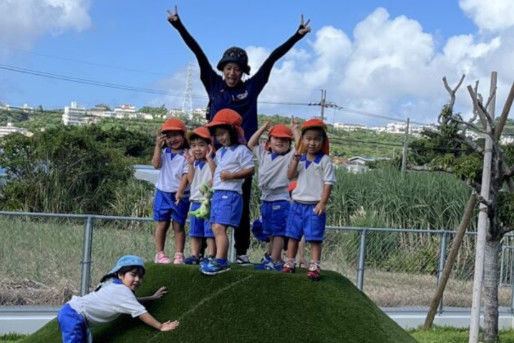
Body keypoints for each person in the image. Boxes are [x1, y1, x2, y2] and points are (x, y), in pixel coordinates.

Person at [167, 6, 311, 265]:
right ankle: (204, 253)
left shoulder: (251, 88)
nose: (232, 73)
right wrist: (178, 25)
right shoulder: (214, 84)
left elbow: (271, 60)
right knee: (207, 196)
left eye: (237, 69)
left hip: (242, 154)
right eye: (228, 68)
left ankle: (241, 252)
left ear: (243, 71)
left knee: (241, 203)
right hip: (215, 154)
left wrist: (297, 36)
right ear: (223, 69)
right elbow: (198, 52)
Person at [57, 255, 179, 342]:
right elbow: (141, 313)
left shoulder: (115, 284)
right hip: (74, 316)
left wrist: (151, 298)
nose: (137, 279)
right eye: (133, 274)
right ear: (120, 274)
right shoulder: (122, 291)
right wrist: (160, 326)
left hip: (72, 312)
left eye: (140, 276)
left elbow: (131, 302)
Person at [201, 109, 254, 275]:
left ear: (233, 131)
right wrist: (210, 161)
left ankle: (221, 260)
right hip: (219, 193)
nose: (220, 138)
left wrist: (232, 175)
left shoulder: (242, 150)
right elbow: (217, 171)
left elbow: (250, 170)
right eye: (217, 135)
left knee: (219, 227)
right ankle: (218, 257)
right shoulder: (221, 152)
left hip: (230, 193)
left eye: (223, 133)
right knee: (215, 226)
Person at [283, 119, 336, 281]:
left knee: (314, 238)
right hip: (297, 204)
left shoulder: (325, 161)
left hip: (314, 206)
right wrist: (295, 159)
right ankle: (290, 262)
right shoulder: (301, 158)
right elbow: (290, 175)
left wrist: (322, 202)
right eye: (308, 139)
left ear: (323, 141)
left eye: (316, 139)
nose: (312, 143)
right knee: (292, 235)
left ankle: (314, 264)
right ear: (303, 140)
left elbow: (329, 183)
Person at [247, 118, 299, 271]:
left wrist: (295, 130)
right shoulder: (264, 154)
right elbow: (250, 144)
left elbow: (300, 148)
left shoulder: (288, 158)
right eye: (276, 138)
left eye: (285, 140)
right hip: (266, 198)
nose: (280, 141)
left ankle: (276, 260)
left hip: (280, 199)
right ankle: (271, 257)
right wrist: (263, 128)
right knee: (269, 231)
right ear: (269, 141)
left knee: (278, 232)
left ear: (289, 144)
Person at [152, 118, 190, 264]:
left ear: (183, 135)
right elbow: (156, 164)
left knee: (178, 225)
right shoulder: (164, 152)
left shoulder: (187, 154)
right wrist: (158, 145)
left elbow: (186, 176)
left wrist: (180, 192)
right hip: (163, 192)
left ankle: (179, 254)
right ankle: (160, 253)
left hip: (180, 194)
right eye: (168, 136)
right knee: (162, 224)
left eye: (176, 135)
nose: (173, 139)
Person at [183, 126, 216, 265]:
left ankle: (211, 255)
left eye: (201, 145)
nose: (197, 149)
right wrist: (190, 164)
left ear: (209, 146)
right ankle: (195, 255)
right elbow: (191, 180)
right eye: (194, 145)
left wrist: (209, 159)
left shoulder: (214, 161)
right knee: (195, 231)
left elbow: (216, 176)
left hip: (209, 201)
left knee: (209, 231)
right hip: (195, 200)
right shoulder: (194, 163)